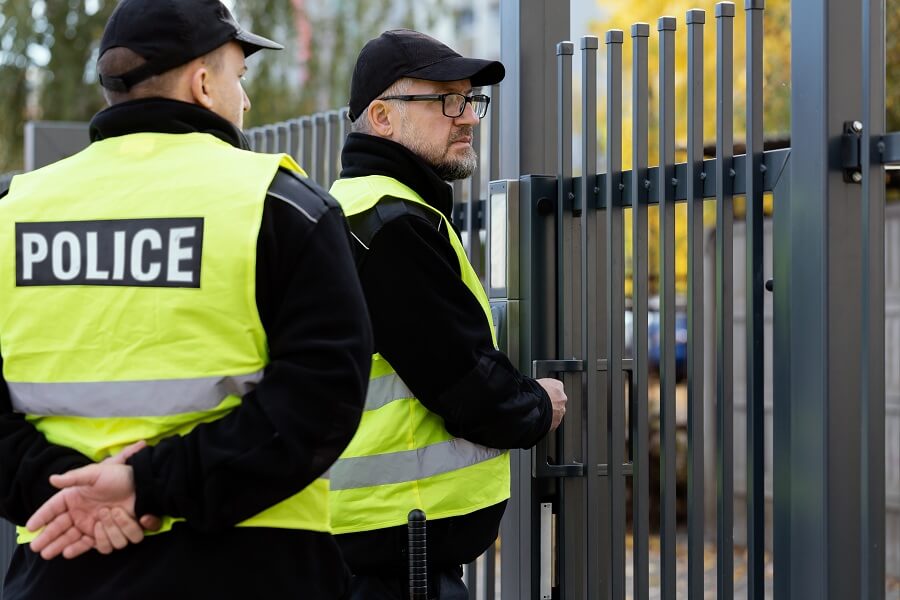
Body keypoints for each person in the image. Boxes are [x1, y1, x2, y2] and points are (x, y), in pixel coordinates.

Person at [0, 1, 372, 598]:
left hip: (59, 564)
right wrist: (145, 486)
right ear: (203, 83)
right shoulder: (281, 205)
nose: (245, 101)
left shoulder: (12, 213)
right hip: (254, 567)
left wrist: (65, 494)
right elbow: (321, 397)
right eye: (239, 78)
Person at [328, 29, 568, 599]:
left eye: (470, 100)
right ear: (382, 117)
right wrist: (538, 405)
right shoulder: (389, 226)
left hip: (379, 540)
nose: (468, 118)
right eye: (445, 100)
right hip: (397, 548)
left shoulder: (366, 210)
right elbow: (462, 380)